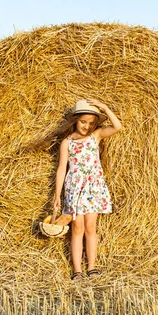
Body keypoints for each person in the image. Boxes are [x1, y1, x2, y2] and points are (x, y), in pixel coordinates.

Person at [53, 99, 122, 281]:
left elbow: (117, 127)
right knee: (77, 227)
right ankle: (77, 270)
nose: (87, 126)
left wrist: (105, 107)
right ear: (75, 120)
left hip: (93, 187)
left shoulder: (95, 136)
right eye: (83, 121)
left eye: (91, 123)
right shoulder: (67, 143)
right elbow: (61, 169)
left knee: (90, 227)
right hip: (74, 188)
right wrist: (57, 196)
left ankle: (91, 267)